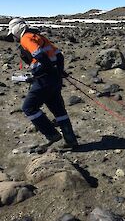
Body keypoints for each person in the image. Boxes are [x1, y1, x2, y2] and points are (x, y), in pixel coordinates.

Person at [6, 18, 78, 149]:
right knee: (58, 109)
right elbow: (59, 55)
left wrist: (47, 71)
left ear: (17, 29)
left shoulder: (26, 38)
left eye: (13, 33)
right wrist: (59, 71)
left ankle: (52, 134)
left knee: (29, 107)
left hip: (44, 79)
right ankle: (71, 140)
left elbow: (40, 55)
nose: (14, 36)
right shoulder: (39, 36)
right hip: (54, 79)